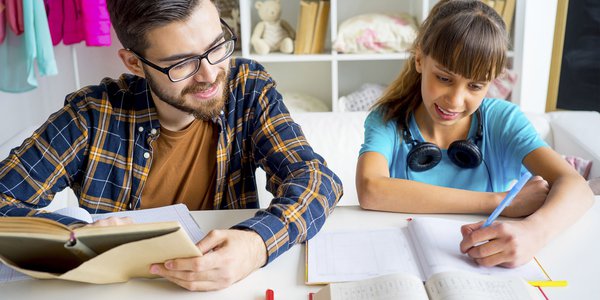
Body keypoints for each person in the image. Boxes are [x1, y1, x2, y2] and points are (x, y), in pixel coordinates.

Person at [0, 0, 343, 291]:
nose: (210, 75)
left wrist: (256, 244)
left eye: (216, 46)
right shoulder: (91, 115)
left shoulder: (247, 90)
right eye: (182, 63)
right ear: (134, 63)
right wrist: (76, 234)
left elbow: (316, 179)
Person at [356, 0, 593, 269]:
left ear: (492, 81)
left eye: (475, 86)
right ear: (420, 59)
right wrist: (501, 201)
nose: (455, 101)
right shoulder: (388, 118)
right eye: (444, 78)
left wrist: (533, 233)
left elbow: (576, 187)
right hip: (405, 264)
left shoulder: (502, 119)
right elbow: (370, 189)